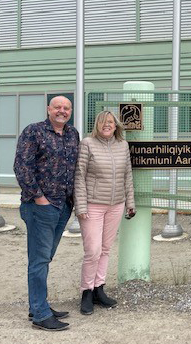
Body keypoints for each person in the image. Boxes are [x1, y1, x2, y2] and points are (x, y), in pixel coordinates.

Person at [14, 96, 79, 331]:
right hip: (40, 207)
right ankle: (41, 314)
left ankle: (38, 305)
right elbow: (22, 166)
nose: (62, 111)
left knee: (44, 258)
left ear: (70, 111)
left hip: (63, 206)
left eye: (66, 108)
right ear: (49, 109)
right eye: (57, 107)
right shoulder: (34, 131)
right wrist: (40, 198)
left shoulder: (73, 134)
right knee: (39, 260)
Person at [74, 110, 135, 315]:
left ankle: (99, 289)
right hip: (93, 204)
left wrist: (130, 203)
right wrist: (80, 205)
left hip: (116, 204)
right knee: (93, 250)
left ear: (116, 125)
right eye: (102, 122)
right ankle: (86, 292)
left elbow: (127, 175)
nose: (106, 125)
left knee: (106, 249)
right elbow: (79, 176)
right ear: (97, 125)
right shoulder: (87, 143)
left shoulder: (123, 145)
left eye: (110, 122)